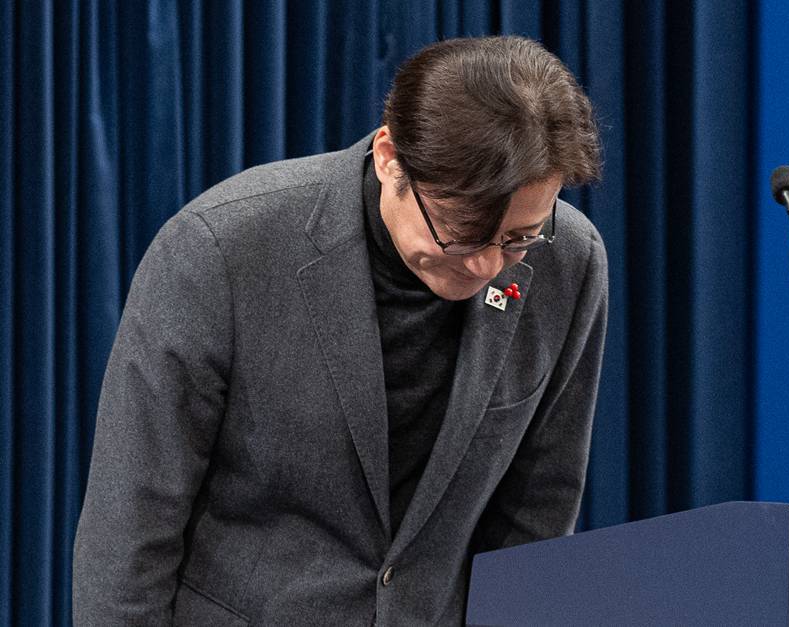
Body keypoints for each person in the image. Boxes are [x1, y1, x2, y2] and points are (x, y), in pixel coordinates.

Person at [73, 36, 607, 625]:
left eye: (519, 238)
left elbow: (539, 506)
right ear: (390, 157)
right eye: (461, 232)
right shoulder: (221, 251)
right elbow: (131, 527)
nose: (486, 265)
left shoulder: (570, 262)